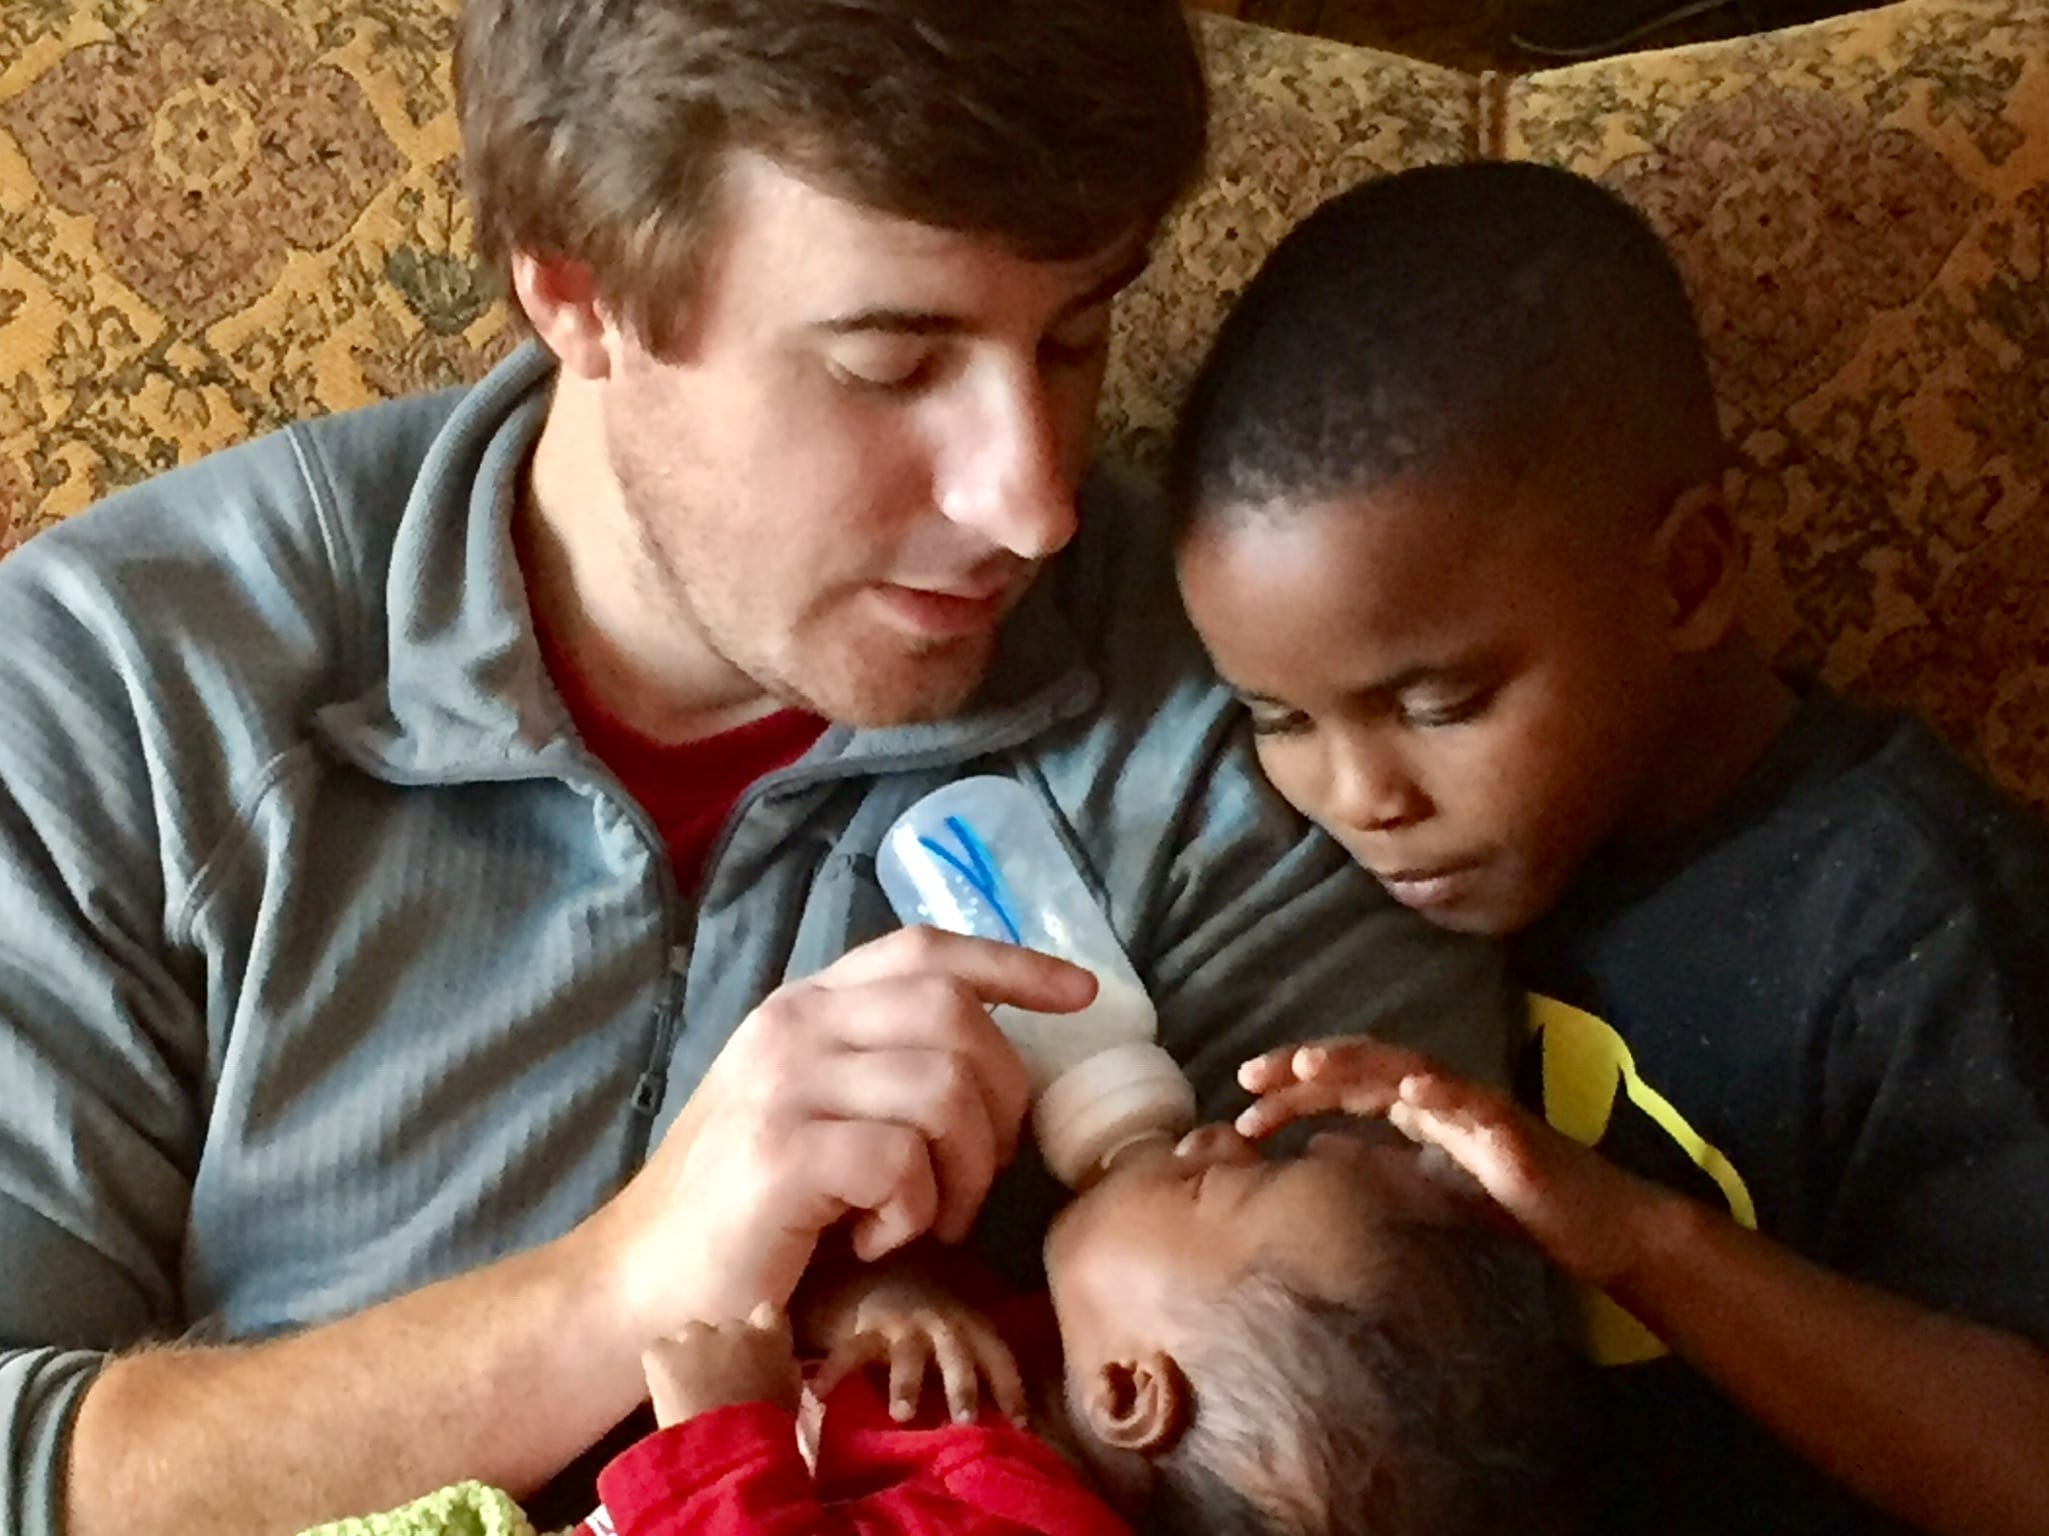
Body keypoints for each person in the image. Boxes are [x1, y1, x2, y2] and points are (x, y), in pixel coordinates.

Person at [0, 6, 1516, 1536]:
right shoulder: (128, 687)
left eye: (1073, 336)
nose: (1032, 502)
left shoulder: (1244, 705)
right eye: (891, 363)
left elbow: (1401, 1443)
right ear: (573, 291)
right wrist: (622, 1290)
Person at [1167, 161, 2049, 1535]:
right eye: (1276, 717)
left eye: (1441, 702)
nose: (1357, 797)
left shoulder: (1912, 913)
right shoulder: (1339, 883)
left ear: (1688, 576)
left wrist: (1634, 1236)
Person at [566, 1121, 1573, 1536]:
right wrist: (890, 1297)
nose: (1222, 1131)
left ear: (1131, 1393)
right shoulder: (1017, 1361)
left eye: (1225, 1183)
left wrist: (719, 1446)